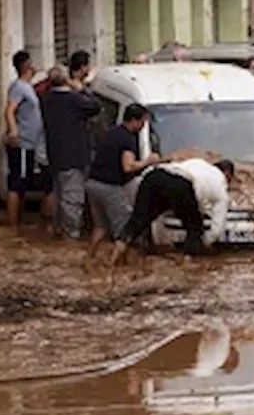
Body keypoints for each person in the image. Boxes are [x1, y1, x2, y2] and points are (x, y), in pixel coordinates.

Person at [111, 158, 235, 264]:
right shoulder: (220, 185)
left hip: (153, 175)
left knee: (138, 220)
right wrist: (206, 242)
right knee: (195, 228)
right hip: (180, 185)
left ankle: (114, 259)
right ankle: (187, 265)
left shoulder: (199, 163)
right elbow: (217, 227)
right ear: (228, 174)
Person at [86, 104, 159, 259]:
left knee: (100, 227)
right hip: (109, 187)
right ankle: (117, 265)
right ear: (134, 120)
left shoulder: (112, 132)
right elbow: (128, 166)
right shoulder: (128, 138)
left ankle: (89, 258)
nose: (143, 126)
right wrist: (148, 161)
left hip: (93, 184)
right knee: (125, 228)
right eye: (142, 122)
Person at [41, 62, 101, 239]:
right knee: (72, 198)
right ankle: (70, 234)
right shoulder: (74, 100)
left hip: (55, 155)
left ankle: (59, 230)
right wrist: (81, 89)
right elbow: (96, 107)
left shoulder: (46, 99)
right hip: (73, 156)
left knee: (60, 195)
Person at [5, 50, 50, 229]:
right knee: (18, 183)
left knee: (23, 183)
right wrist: (14, 131)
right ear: (27, 66)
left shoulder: (27, 86)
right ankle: (13, 226)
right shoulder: (18, 87)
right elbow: (9, 110)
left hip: (30, 144)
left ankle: (18, 223)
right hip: (22, 143)